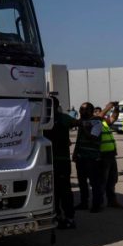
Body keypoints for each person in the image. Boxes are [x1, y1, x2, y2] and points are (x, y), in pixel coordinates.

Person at [73, 102, 115, 212]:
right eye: (81, 109)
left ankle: (96, 205)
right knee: (82, 182)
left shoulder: (97, 123)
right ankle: (84, 203)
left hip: (92, 158)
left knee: (95, 183)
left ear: (91, 111)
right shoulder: (83, 122)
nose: (82, 112)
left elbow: (93, 138)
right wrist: (75, 153)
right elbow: (79, 140)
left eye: (85, 109)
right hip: (81, 157)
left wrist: (84, 127)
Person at [44, 96, 76, 228]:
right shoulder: (64, 118)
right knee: (63, 190)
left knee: (57, 190)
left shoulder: (44, 118)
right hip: (60, 161)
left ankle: (63, 216)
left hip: (49, 161)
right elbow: (79, 123)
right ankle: (66, 217)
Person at [97, 102, 123, 209]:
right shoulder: (93, 122)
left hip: (111, 155)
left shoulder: (104, 123)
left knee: (112, 179)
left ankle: (112, 201)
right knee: (102, 180)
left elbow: (114, 117)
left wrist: (116, 109)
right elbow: (98, 117)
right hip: (102, 156)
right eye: (97, 112)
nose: (100, 114)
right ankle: (98, 202)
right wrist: (108, 107)